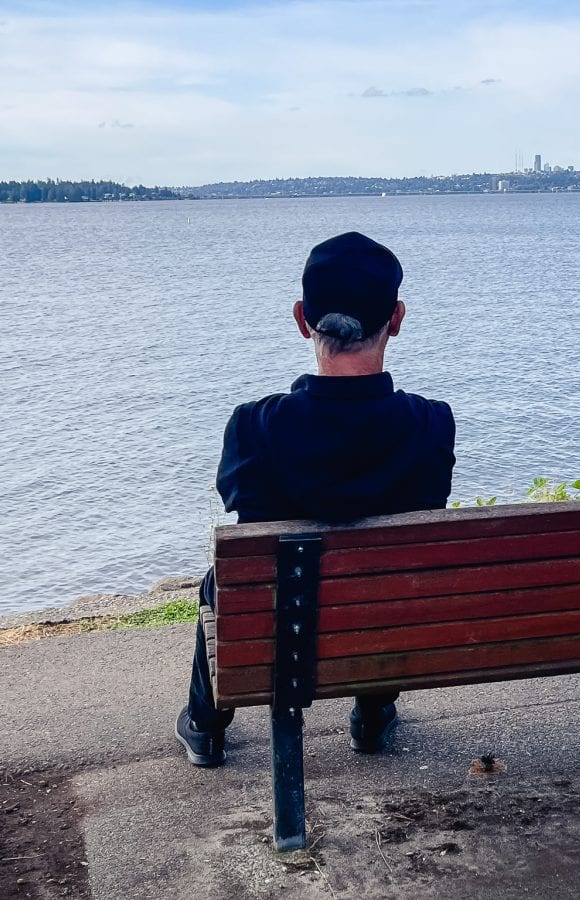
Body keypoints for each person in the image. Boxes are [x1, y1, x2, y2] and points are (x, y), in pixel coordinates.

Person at [176, 231, 456, 766]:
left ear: (303, 318)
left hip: (282, 620)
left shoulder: (254, 427)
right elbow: (427, 512)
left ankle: (206, 725)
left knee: (226, 576)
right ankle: (371, 716)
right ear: (396, 318)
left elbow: (242, 502)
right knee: (388, 568)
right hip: (380, 612)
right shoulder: (431, 424)